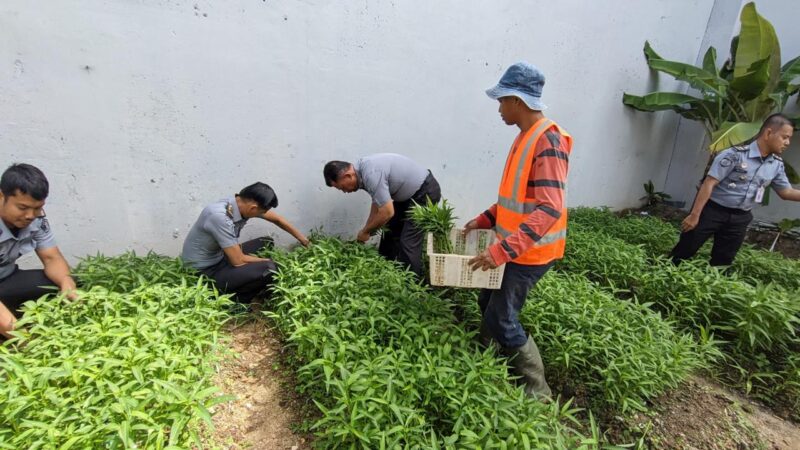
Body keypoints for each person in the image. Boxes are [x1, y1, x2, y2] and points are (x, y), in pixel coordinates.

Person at [465, 62, 573, 400]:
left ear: (517, 100)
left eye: (501, 101)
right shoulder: (525, 138)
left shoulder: (547, 141)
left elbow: (549, 208)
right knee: (487, 300)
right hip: (514, 245)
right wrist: (484, 219)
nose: (499, 108)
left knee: (503, 315)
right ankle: (487, 358)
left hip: (531, 252)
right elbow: (516, 197)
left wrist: (500, 251)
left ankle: (537, 391)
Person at [671, 113, 800, 266]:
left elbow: (786, 192)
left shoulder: (776, 164)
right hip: (712, 211)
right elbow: (709, 183)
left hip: (740, 218)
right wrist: (694, 215)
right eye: (784, 137)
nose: (787, 142)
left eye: (789, 138)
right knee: (684, 251)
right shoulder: (735, 155)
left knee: (724, 260)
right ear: (768, 133)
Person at [181, 182, 309, 302]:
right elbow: (238, 261)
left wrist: (303, 240)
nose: (264, 214)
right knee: (271, 268)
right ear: (253, 208)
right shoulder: (220, 216)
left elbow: (278, 220)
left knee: (266, 242)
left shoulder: (239, 203)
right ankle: (236, 302)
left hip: (221, 256)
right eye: (262, 212)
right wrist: (273, 262)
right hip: (204, 273)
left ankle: (252, 281)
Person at [323, 154, 441, 277]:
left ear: (348, 176)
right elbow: (378, 203)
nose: (345, 192)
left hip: (424, 193)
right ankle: (385, 272)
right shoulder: (360, 172)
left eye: (342, 187)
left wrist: (366, 231)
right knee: (389, 231)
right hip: (408, 197)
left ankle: (413, 285)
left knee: (408, 241)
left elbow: (387, 212)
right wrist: (367, 229)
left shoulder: (371, 174)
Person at [0, 163, 77, 339]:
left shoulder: (36, 219)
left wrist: (67, 284)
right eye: (22, 207)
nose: (30, 215)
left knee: (64, 283)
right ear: (1, 196)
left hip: (7, 278)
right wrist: (23, 338)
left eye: (37, 207)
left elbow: (51, 258)